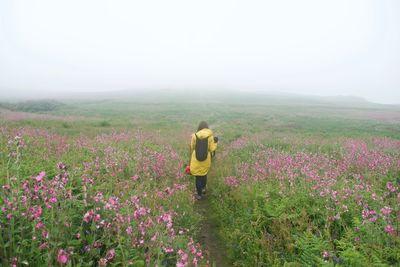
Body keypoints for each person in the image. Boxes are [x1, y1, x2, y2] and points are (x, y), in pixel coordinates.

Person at [189, 121, 218, 200]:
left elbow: (192, 147)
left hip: (196, 159)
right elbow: (212, 149)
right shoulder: (210, 136)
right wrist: (215, 143)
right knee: (204, 174)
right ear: (207, 127)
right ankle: (203, 189)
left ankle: (199, 195)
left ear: (199, 127)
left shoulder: (194, 135)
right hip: (206, 159)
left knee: (198, 177)